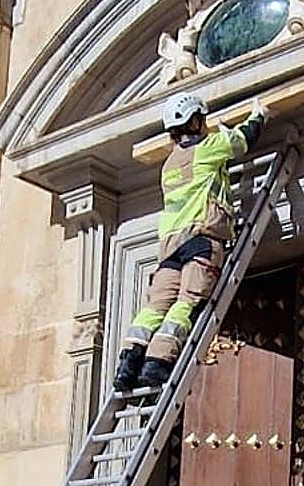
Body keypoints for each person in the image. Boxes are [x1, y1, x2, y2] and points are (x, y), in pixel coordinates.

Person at [112, 91, 268, 393]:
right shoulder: (207, 149)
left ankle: (128, 364)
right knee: (188, 301)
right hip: (200, 238)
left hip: (169, 247)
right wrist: (258, 115)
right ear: (195, 121)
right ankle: (157, 363)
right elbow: (242, 141)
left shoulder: (169, 164)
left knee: (154, 308)